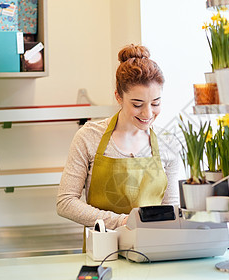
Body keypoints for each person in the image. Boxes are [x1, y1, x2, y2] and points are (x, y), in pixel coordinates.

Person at [57, 44, 180, 230]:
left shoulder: (168, 142)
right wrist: (123, 222)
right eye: (137, 104)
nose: (148, 113)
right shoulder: (89, 137)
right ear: (118, 97)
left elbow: (171, 208)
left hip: (154, 248)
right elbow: (65, 202)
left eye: (155, 103)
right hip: (103, 252)